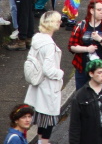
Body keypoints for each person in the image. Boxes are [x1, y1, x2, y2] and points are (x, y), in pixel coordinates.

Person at [23, 10, 63, 141]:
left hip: (38, 87)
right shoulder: (49, 45)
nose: (60, 22)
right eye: (58, 20)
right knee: (48, 124)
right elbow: (48, 70)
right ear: (52, 24)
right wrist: (60, 73)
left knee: (41, 122)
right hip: (48, 88)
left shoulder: (37, 39)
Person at [68, 0, 102, 90]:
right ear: (91, 11)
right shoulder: (80, 25)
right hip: (82, 68)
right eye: (99, 10)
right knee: (81, 94)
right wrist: (86, 49)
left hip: (101, 69)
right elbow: (71, 46)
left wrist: (100, 39)